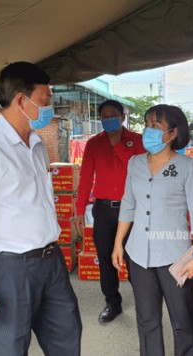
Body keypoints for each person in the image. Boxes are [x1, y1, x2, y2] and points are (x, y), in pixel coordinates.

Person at [0, 62, 82, 355]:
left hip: (51, 260)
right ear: (21, 100)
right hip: (9, 268)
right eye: (45, 101)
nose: (49, 108)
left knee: (67, 334)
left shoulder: (36, 144)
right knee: (10, 345)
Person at [112, 104, 193, 356]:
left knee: (182, 321)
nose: (149, 131)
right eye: (147, 124)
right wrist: (118, 244)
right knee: (147, 320)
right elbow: (128, 203)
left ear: (173, 133)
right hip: (138, 254)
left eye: (156, 125)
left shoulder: (189, 167)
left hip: (176, 257)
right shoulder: (135, 163)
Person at [75, 99, 145, 322]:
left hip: (132, 209)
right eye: (104, 116)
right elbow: (86, 177)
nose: (108, 119)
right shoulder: (94, 144)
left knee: (134, 258)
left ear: (122, 117)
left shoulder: (137, 141)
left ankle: (145, 302)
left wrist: (118, 146)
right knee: (105, 257)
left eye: (112, 115)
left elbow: (140, 168)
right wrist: (79, 209)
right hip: (104, 209)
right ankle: (112, 303)